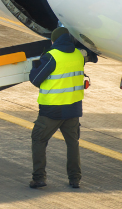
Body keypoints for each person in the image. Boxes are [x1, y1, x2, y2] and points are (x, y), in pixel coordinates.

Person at [28, 27, 85, 189]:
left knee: (39, 139)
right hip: (73, 109)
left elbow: (36, 79)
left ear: (54, 41)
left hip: (52, 111)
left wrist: (34, 67)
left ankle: (39, 177)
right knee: (72, 143)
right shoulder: (78, 56)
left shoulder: (52, 57)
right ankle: (75, 179)